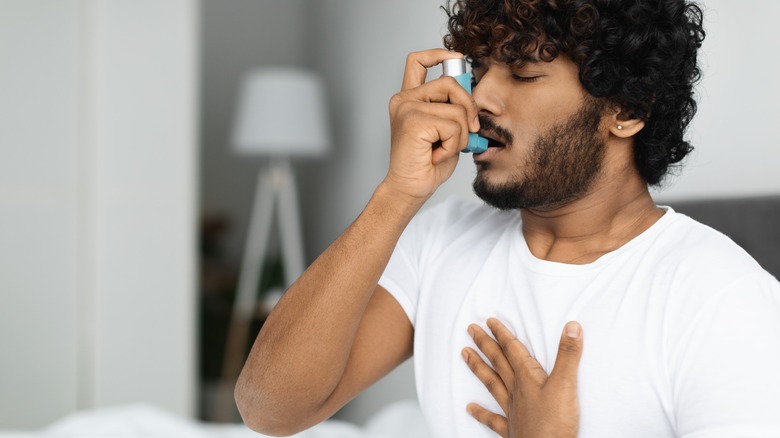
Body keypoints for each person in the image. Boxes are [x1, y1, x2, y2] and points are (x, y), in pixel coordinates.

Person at [235, 0, 780, 437]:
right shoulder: (440, 239)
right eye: (480, 69)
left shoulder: (721, 298)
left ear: (627, 110)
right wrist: (397, 194)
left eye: (522, 74)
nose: (479, 99)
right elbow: (270, 409)